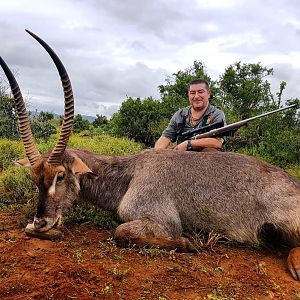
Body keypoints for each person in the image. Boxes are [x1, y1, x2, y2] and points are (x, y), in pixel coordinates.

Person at [154, 79, 226, 152]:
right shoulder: (180, 114)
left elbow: (217, 142)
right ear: (188, 95)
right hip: (181, 157)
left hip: (206, 160)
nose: (196, 96)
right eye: (192, 93)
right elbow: (166, 137)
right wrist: (157, 152)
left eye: (200, 92)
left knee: (210, 151)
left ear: (208, 93)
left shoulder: (216, 114)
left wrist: (188, 144)